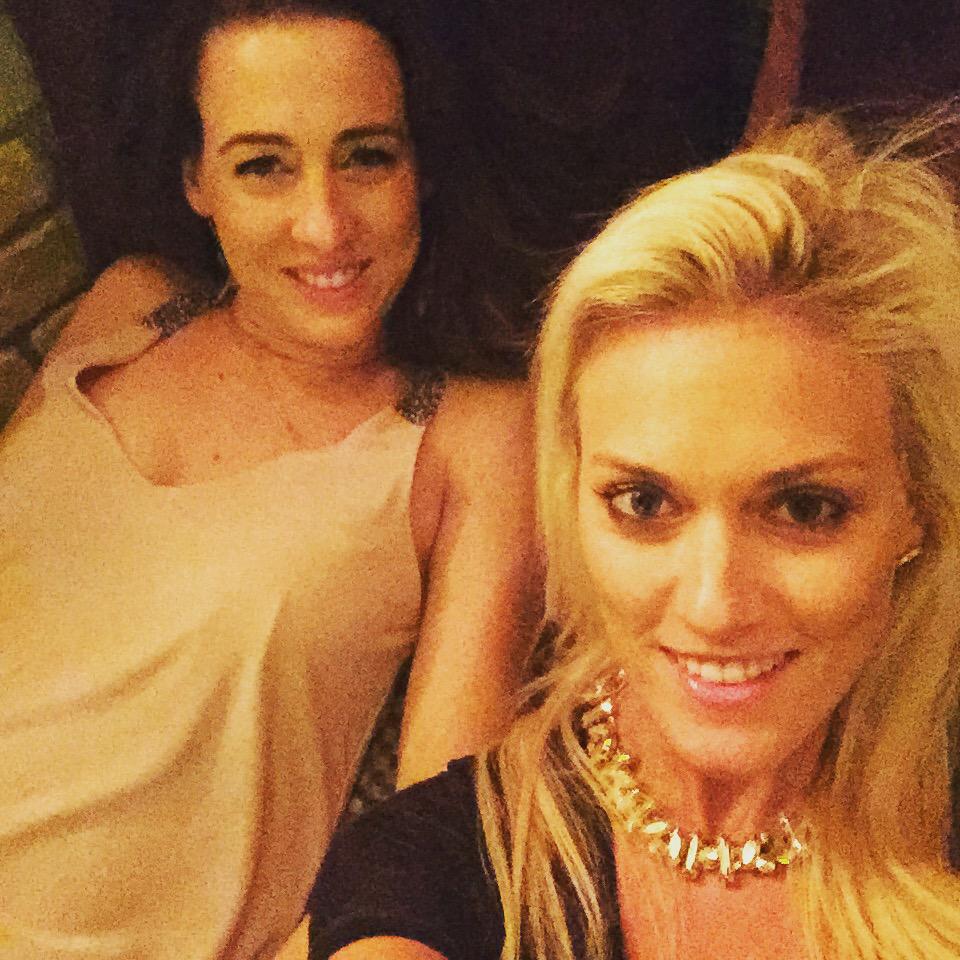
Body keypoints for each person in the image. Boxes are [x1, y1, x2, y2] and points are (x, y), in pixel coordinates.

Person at [308, 112, 960, 960]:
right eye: (645, 503)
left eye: (805, 510)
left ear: (920, 508)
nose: (714, 605)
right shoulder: (437, 868)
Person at [0, 2, 538, 958]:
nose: (324, 223)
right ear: (196, 179)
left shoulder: (473, 435)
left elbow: (440, 852)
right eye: (263, 166)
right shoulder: (133, 306)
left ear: (421, 168)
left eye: (366, 156)